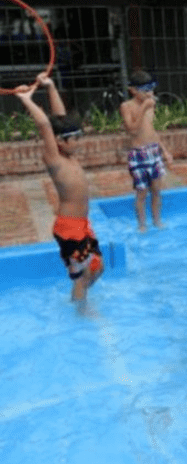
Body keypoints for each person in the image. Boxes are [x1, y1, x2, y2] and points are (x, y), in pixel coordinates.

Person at [14, 74, 104, 302]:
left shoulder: (69, 155)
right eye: (75, 137)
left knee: (98, 268)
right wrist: (26, 99)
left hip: (83, 225)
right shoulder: (55, 159)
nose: (79, 141)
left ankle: (79, 298)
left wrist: (51, 86)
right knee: (82, 276)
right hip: (69, 227)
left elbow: (58, 118)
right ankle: (81, 311)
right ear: (61, 142)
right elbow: (45, 124)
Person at [119, 69, 173, 232]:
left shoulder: (151, 105)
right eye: (145, 91)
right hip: (138, 154)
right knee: (142, 193)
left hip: (154, 151)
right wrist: (143, 108)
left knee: (157, 191)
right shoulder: (126, 106)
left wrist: (165, 151)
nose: (149, 94)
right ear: (133, 90)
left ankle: (157, 221)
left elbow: (151, 130)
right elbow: (132, 130)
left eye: (151, 90)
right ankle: (142, 225)